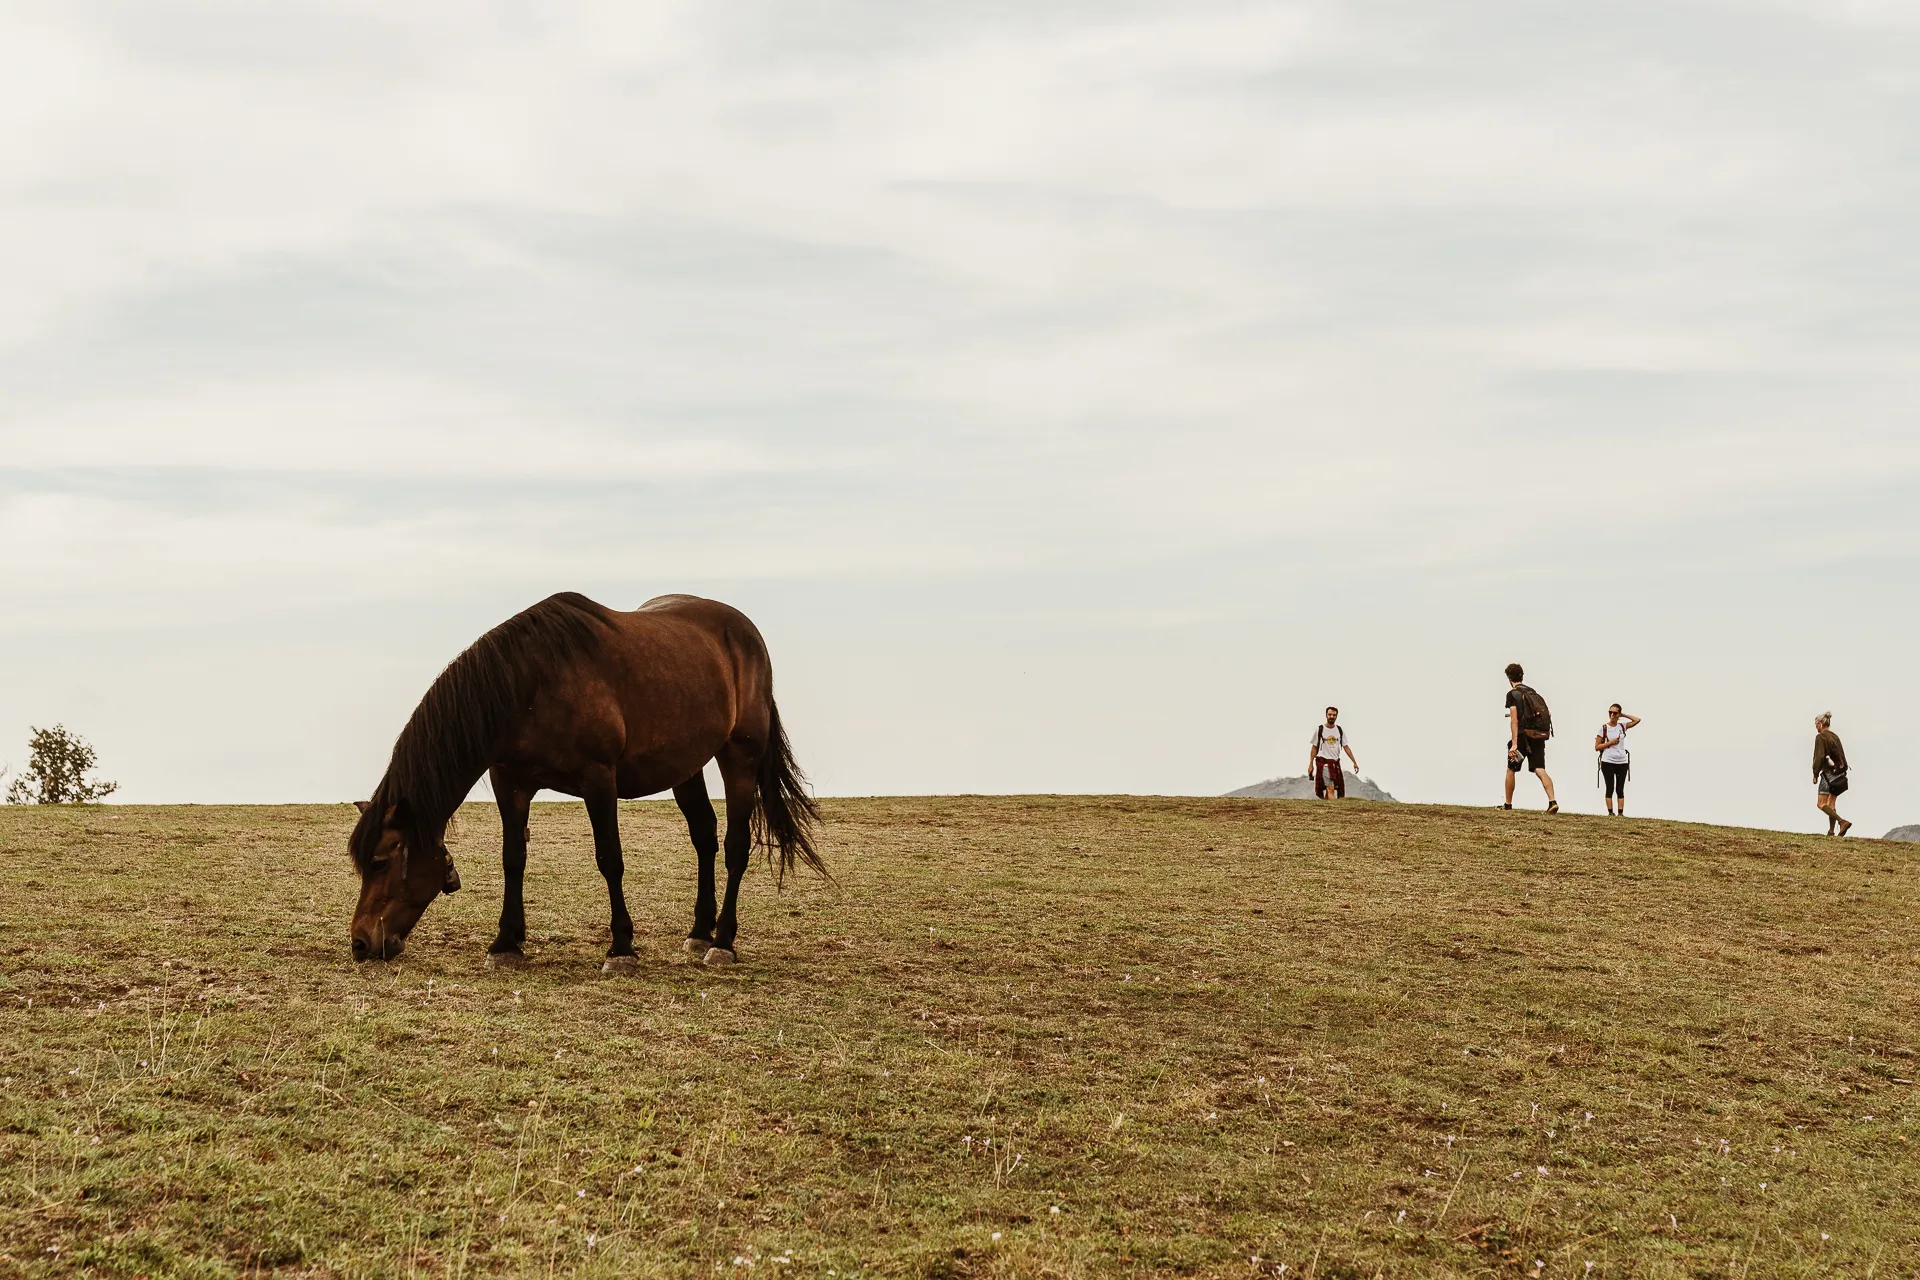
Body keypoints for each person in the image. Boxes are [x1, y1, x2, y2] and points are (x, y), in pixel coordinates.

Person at [1502, 663, 1557, 812]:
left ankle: (1507, 805)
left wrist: (1514, 744)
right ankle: (1552, 801)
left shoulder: (1512, 694)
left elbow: (1514, 720)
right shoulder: (1533, 692)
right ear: (1522, 675)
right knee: (1539, 768)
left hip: (1522, 737)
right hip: (1537, 736)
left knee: (1511, 769)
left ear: (1509, 677)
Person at [1593, 704, 1640, 816]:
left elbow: (1637, 720)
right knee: (1610, 787)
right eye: (1610, 712)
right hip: (1608, 761)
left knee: (1620, 788)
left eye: (1615, 713)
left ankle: (1620, 813)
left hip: (1622, 761)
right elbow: (1597, 747)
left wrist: (1623, 715)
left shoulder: (1622, 726)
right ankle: (1610, 813)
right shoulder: (1604, 728)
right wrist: (1610, 743)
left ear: (1619, 714)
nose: (1612, 715)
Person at [1307, 706, 1359, 800]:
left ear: (1336, 716)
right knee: (1330, 788)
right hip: (1324, 763)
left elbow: (1346, 747)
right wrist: (1310, 764)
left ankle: (1328, 810)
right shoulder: (1320, 729)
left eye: (1334, 715)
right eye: (1330, 714)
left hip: (1335, 764)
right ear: (1326, 715)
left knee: (1331, 789)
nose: (1332, 716)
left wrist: (1354, 762)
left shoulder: (1339, 730)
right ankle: (1336, 810)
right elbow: (1314, 747)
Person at [1813, 712, 1850, 837]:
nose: (1815, 727)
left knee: (1821, 803)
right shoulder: (1835, 736)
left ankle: (1842, 822)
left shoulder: (1820, 737)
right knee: (1831, 804)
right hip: (1840, 773)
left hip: (1828, 774)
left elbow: (1819, 757)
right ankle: (1831, 831)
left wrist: (1815, 773)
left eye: (1815, 725)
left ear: (1819, 724)